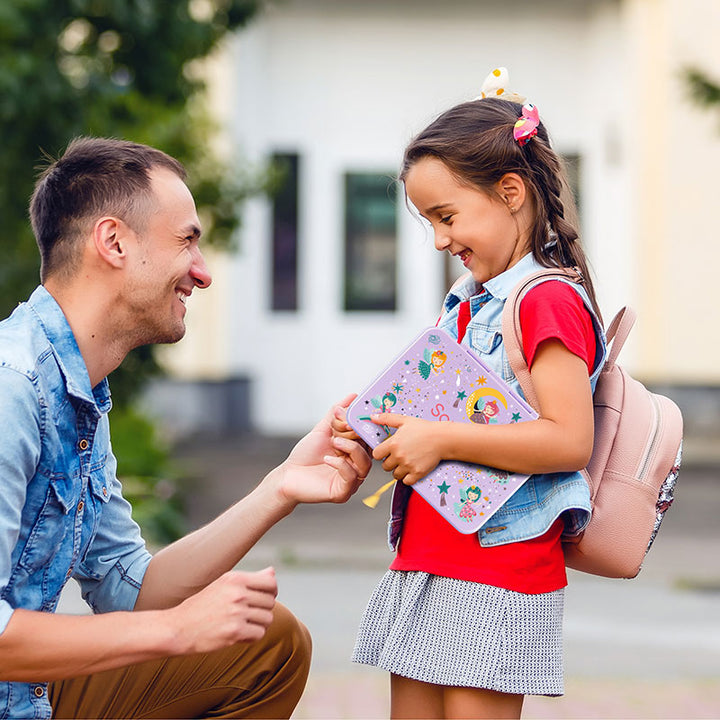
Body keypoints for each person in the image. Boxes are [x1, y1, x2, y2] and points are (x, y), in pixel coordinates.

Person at [0, 136, 371, 720]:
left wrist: (281, 486)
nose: (202, 273)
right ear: (114, 242)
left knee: (264, 641)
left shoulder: (77, 397)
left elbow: (130, 590)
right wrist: (175, 631)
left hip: (27, 695)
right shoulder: (11, 389)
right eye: (187, 241)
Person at [333, 68, 608, 719]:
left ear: (510, 191)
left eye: (447, 216)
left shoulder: (545, 302)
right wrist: (378, 424)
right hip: (431, 553)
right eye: (430, 221)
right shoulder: (468, 303)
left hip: (498, 566)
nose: (438, 240)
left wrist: (439, 438)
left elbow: (569, 440)